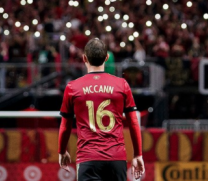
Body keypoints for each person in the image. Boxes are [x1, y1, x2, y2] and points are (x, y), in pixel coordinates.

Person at [58, 39, 144, 180]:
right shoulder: (122, 85)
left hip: (88, 158)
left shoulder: (72, 87)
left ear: (84, 58)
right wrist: (138, 154)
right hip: (116, 159)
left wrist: (62, 151)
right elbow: (133, 122)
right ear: (107, 58)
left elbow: (65, 125)